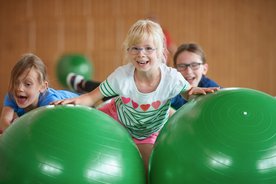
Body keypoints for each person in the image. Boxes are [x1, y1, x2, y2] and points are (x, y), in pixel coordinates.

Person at [52, 19, 218, 180]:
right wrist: (74, 104)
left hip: (147, 132)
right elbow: (91, 97)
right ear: (128, 50)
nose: (141, 54)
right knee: (85, 143)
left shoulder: (171, 78)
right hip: (114, 120)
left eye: (148, 48)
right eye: (135, 48)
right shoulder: (121, 76)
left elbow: (188, 93)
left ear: (161, 52)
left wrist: (197, 94)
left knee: (145, 172)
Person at [0, 53, 79, 133]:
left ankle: (81, 85)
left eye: (27, 84)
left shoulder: (50, 102)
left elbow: (51, 129)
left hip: (78, 104)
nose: (19, 88)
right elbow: (4, 121)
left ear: (42, 87)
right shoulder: (12, 95)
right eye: (16, 83)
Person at [171, 43, 221, 110]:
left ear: (204, 69)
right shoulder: (171, 86)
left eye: (194, 65)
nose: (188, 71)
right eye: (182, 66)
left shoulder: (210, 87)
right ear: (175, 70)